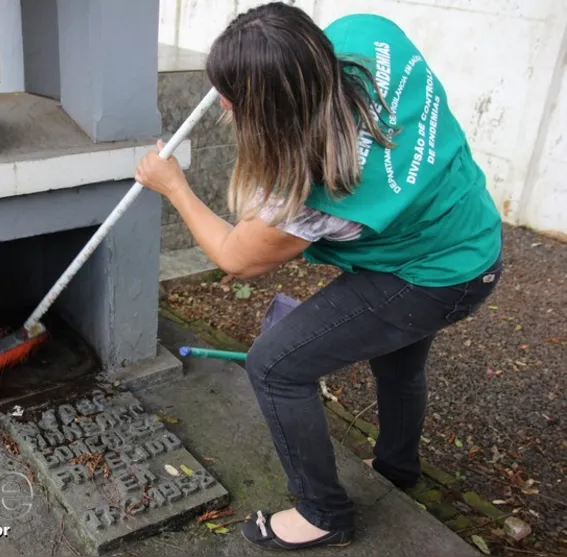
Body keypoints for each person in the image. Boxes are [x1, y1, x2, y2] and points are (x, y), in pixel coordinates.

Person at [135, 3, 502, 551]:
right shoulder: (367, 34)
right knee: (397, 361)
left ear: (271, 108)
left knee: (277, 365)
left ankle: (324, 513)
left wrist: (174, 186)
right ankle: (397, 467)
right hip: (468, 233)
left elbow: (238, 257)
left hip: (433, 275)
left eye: (235, 105)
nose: (228, 114)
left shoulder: (313, 186)